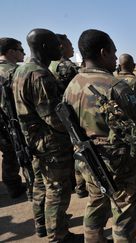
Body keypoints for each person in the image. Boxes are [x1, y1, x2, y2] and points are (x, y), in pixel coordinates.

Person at [63, 29, 136, 242]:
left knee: (96, 201)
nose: (116, 58)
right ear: (103, 52)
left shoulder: (71, 85)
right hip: (118, 164)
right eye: (113, 53)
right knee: (125, 211)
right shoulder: (116, 86)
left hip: (87, 160)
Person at [13, 28, 79, 242]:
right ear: (43, 46)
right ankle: (58, 235)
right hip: (50, 143)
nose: (59, 48)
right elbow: (54, 118)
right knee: (58, 190)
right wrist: (76, 134)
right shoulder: (39, 75)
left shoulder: (22, 70)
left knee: (42, 184)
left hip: (34, 140)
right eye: (54, 44)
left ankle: (42, 224)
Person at [48, 33, 88, 199]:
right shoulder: (67, 66)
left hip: (53, 118)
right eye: (70, 45)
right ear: (62, 46)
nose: (73, 48)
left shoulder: (48, 65)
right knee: (80, 151)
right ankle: (81, 186)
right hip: (69, 116)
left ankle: (76, 185)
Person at [0, 37, 27, 199]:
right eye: (20, 50)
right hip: (11, 122)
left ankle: (12, 185)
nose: (23, 53)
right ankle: (17, 187)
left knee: (8, 154)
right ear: (11, 52)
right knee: (16, 153)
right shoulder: (14, 71)